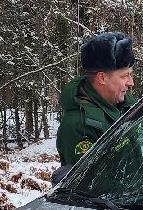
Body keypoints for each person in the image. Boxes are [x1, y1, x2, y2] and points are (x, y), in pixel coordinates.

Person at [55, 32, 138, 181]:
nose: (131, 82)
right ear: (102, 78)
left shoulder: (126, 106)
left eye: (130, 74)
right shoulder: (78, 125)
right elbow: (89, 185)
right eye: (124, 75)